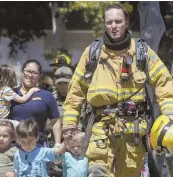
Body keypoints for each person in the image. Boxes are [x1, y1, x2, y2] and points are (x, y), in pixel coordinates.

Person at [62, 4, 173, 177]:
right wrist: (69, 123)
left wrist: (170, 113)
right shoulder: (92, 53)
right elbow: (75, 91)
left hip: (133, 132)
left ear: (126, 22)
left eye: (118, 21)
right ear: (105, 24)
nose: (113, 26)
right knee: (96, 172)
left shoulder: (143, 52)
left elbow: (164, 83)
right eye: (109, 22)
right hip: (101, 129)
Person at [10, 60, 61, 147]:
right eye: (28, 71)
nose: (30, 75)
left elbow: (55, 122)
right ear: (23, 72)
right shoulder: (10, 93)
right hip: (12, 147)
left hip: (38, 147)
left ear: (39, 76)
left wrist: (57, 144)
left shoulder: (46, 95)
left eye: (34, 73)